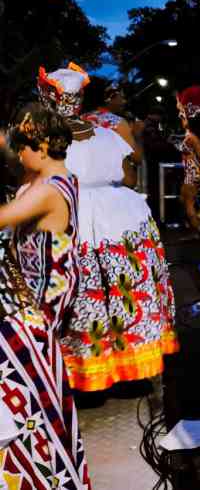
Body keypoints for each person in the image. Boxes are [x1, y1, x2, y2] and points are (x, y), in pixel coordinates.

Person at [37, 63, 178, 392]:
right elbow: (129, 178)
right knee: (123, 294)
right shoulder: (105, 134)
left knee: (83, 298)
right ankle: (129, 374)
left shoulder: (42, 140)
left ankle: (86, 378)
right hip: (121, 217)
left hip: (69, 214)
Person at [0, 105, 91, 488]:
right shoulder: (43, 178)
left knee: (20, 379)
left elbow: (3, 217)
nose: (17, 154)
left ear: (39, 145)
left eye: (22, 146)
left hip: (39, 306)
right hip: (29, 298)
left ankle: (38, 471)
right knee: (28, 386)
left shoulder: (51, 189)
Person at [176, 86, 200, 232]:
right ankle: (198, 226)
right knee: (184, 200)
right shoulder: (189, 136)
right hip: (189, 174)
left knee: (188, 203)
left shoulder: (192, 137)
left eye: (183, 117)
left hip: (192, 174)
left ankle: (198, 230)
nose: (180, 119)